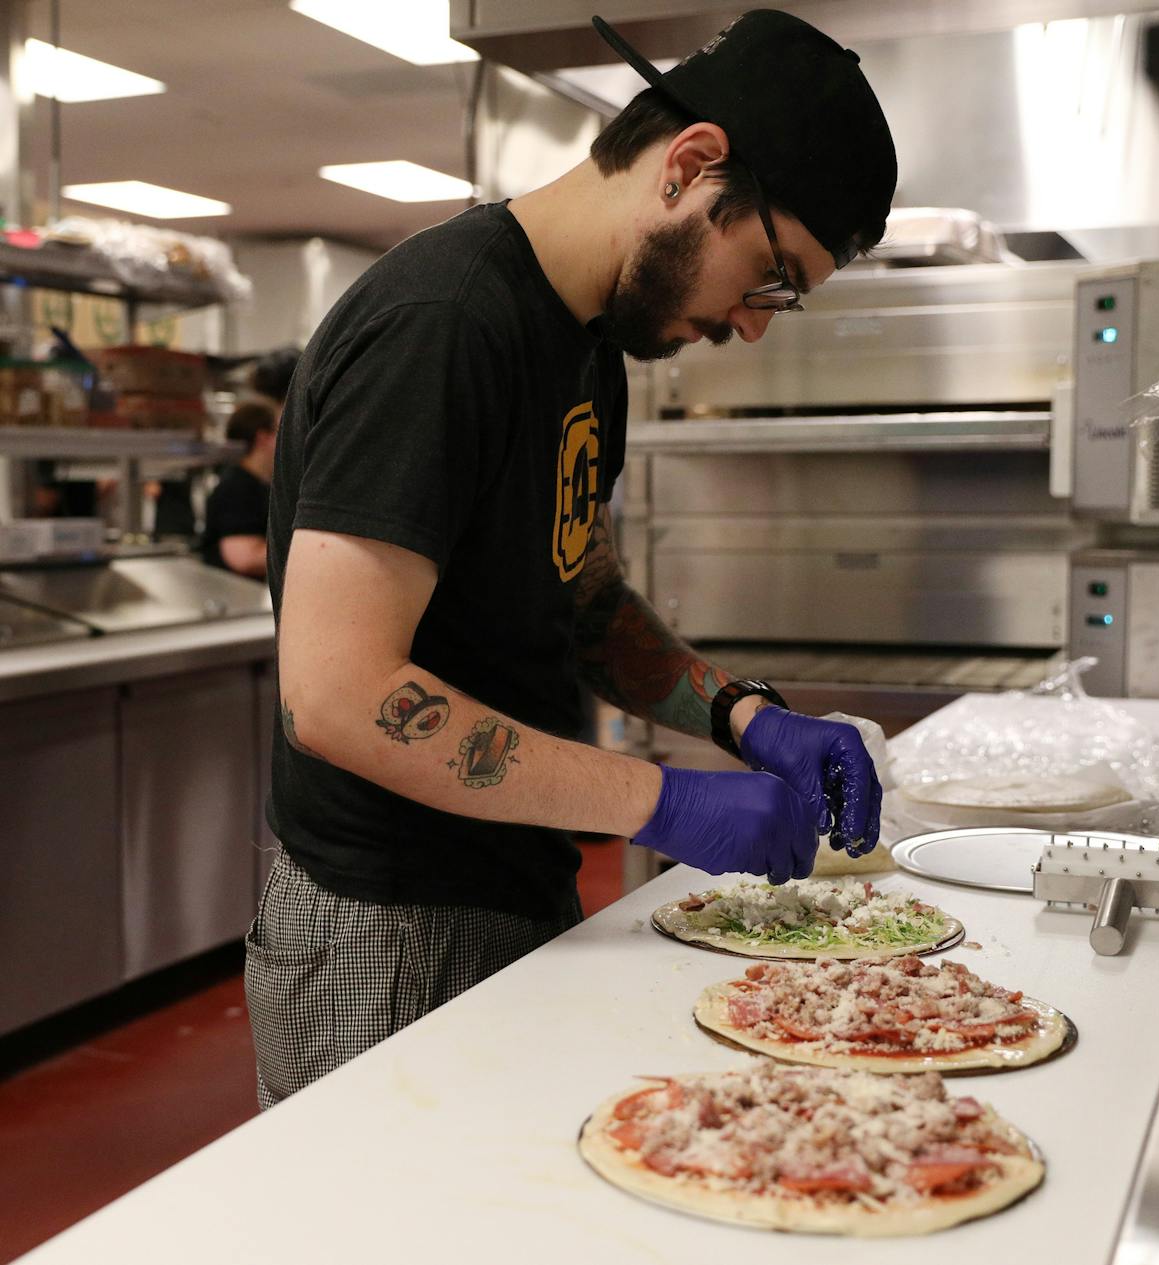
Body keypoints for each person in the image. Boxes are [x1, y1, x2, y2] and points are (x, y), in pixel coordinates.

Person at [246, 9, 898, 1108]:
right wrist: (658, 802)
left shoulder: (588, 349)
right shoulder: (443, 323)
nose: (755, 325)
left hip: (511, 885)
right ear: (691, 167)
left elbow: (578, 596)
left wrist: (738, 714)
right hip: (386, 926)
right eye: (772, 274)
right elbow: (338, 694)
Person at [200, 401, 276, 578]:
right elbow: (244, 557)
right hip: (231, 596)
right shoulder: (238, 486)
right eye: (279, 431)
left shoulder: (258, 484)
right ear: (263, 437)